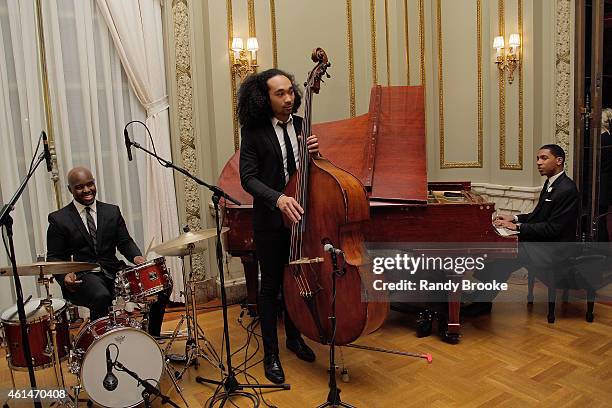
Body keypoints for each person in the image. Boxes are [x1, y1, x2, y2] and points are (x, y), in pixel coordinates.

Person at [238, 69, 319, 384]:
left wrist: (317, 155)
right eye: (279, 94)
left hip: (301, 217)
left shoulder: (302, 125)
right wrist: (278, 199)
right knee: (271, 286)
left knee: (298, 279)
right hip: (271, 221)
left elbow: (312, 172)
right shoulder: (254, 131)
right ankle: (271, 353)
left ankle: (295, 338)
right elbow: (248, 178)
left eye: (290, 92)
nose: (288, 99)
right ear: (264, 98)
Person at [46, 166, 167, 336]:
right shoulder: (59, 219)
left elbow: (124, 241)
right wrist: (64, 277)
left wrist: (137, 257)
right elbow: (54, 257)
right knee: (101, 295)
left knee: (160, 286)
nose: (87, 190)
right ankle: (102, 345)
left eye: (90, 184)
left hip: (113, 271)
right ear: (70, 189)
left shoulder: (111, 211)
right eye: (80, 187)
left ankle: (152, 335)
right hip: (82, 277)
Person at [463, 144, 579, 315]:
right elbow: (538, 215)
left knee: (505, 256)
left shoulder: (566, 189)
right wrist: (514, 218)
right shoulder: (551, 183)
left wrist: (517, 227)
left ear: (559, 161)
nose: (538, 162)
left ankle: (482, 302)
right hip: (543, 244)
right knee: (499, 251)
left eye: (544, 158)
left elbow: (553, 229)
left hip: (555, 250)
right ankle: (481, 296)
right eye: (538, 158)